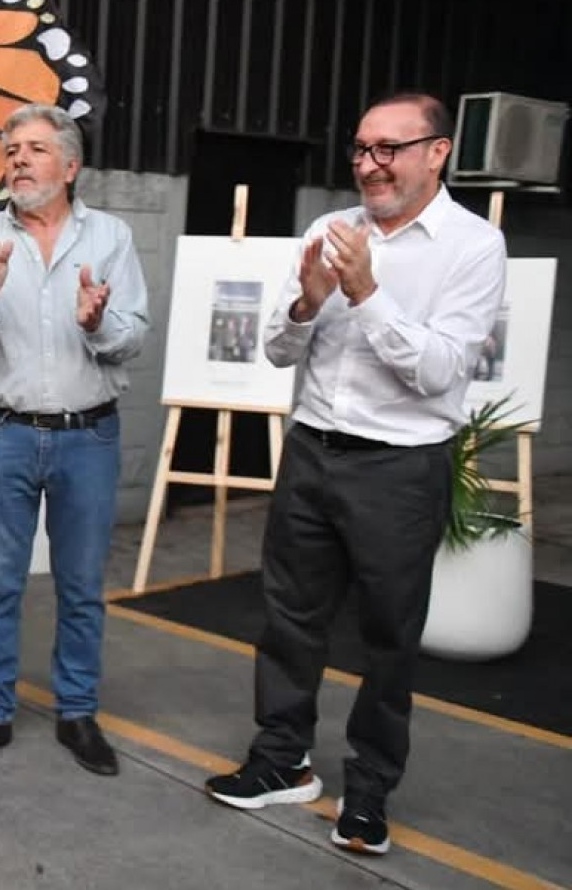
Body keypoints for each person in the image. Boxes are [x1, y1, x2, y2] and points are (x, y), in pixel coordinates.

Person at [203, 92, 507, 855]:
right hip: (312, 449)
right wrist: (307, 304)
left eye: (388, 150)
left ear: (437, 152)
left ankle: (367, 793)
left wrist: (366, 292)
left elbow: (440, 373)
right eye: (361, 150)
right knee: (289, 620)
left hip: (400, 468)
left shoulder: (472, 248)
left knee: (387, 638)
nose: (369, 166)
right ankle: (281, 761)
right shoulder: (327, 230)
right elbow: (277, 351)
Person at [0, 103, 149, 777]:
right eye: (11, 150)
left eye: (33, 148)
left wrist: (96, 324)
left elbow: (133, 336)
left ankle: (78, 712)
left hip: (88, 436)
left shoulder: (110, 236)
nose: (19, 160)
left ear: (70, 164)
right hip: (3, 435)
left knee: (81, 585)